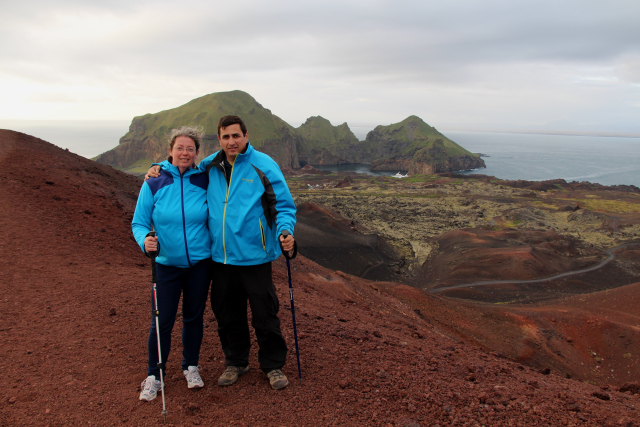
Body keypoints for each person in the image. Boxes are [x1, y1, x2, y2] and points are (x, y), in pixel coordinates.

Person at [147, 115, 296, 390]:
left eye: (236, 135)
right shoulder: (210, 165)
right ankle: (236, 362)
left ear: (246, 136)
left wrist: (285, 232)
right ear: (219, 140)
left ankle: (273, 365)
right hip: (221, 258)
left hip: (255, 256)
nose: (232, 141)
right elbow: (182, 166)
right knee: (228, 314)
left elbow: (283, 205)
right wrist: (158, 167)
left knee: (264, 313)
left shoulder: (263, 165)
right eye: (226, 137)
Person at [132, 126, 212, 401]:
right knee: (161, 321)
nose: (185, 153)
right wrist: (145, 241)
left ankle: (190, 366)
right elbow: (139, 222)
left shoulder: (204, 179)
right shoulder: (154, 181)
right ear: (170, 151)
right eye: (180, 148)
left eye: (190, 149)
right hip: (165, 265)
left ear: (197, 153)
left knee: (193, 317)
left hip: (200, 264)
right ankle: (154, 375)